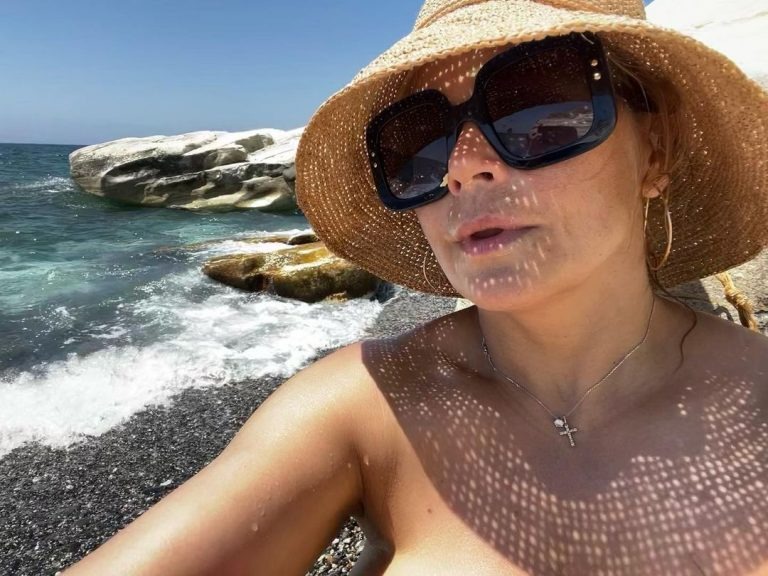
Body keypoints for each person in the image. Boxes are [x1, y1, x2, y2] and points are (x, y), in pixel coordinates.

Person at [64, 0, 768, 574]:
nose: (461, 167)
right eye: (419, 143)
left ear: (656, 149)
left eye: (534, 111)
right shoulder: (364, 403)